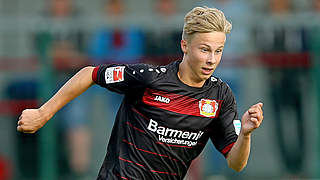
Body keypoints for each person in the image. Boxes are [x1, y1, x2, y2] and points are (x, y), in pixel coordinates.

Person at [17, 7, 264, 179]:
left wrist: (246, 135)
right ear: (184, 45)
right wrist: (43, 113)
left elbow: (236, 163)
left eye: (218, 51)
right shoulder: (149, 78)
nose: (212, 59)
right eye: (205, 49)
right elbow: (90, 73)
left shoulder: (221, 96)